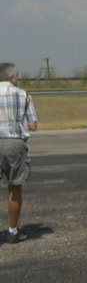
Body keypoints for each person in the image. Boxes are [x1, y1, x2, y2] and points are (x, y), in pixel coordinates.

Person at [0, 63, 38, 243]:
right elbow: (33, 125)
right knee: (15, 187)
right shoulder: (23, 95)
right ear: (12, 77)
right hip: (14, 143)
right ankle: (12, 231)